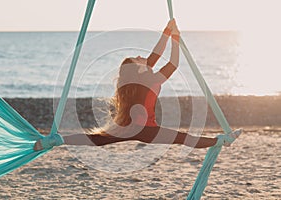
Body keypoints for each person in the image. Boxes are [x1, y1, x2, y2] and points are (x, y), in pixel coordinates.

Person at [34, 19, 241, 151]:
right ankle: (222, 141)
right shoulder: (150, 79)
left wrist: (167, 33)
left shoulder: (137, 82)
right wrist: (175, 39)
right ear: (139, 69)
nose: (143, 56)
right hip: (147, 130)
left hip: (127, 128)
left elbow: (155, 56)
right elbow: (173, 63)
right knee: (184, 138)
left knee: (96, 139)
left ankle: (55, 141)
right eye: (138, 58)